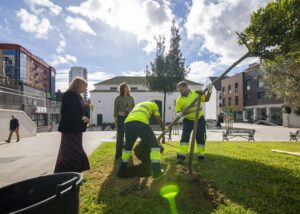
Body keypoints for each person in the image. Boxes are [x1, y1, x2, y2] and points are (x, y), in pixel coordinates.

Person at [118, 101, 166, 178]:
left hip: (128, 123)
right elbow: (158, 119)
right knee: (155, 147)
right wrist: (164, 129)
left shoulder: (139, 105)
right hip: (140, 122)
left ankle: (121, 170)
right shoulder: (154, 104)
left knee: (127, 148)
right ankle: (157, 171)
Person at [54, 77, 90, 173]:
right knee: (69, 152)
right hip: (70, 129)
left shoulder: (79, 96)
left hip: (76, 128)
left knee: (74, 151)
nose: (85, 89)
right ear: (78, 85)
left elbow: (82, 110)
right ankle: (70, 173)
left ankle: (74, 172)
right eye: (84, 86)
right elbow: (68, 112)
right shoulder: (68, 95)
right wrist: (82, 118)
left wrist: (85, 116)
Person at [175, 81, 212, 163]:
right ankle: (181, 156)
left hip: (199, 119)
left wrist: (209, 92)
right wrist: (179, 114)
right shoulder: (179, 100)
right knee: (184, 137)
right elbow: (178, 111)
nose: (181, 92)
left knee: (200, 137)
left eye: (182, 90)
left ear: (186, 87)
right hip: (187, 120)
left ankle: (201, 155)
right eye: (179, 90)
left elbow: (206, 99)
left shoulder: (196, 93)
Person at [113, 82, 135, 160]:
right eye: (125, 87)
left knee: (129, 136)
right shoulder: (118, 98)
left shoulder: (131, 98)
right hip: (120, 118)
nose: (127, 88)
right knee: (120, 137)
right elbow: (115, 111)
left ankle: (127, 153)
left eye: (127, 87)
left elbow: (134, 109)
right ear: (122, 89)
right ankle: (118, 154)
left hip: (129, 118)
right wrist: (116, 122)